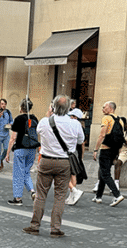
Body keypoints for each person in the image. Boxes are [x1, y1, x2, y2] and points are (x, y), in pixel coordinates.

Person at [23, 95, 83, 237]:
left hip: (46, 160)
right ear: (69, 108)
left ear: (53, 107)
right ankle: (55, 228)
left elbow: (38, 132)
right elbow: (80, 140)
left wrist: (49, 114)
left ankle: (35, 225)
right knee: (60, 196)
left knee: (41, 194)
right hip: (64, 162)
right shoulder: (75, 124)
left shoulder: (45, 122)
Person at [90, 101, 125, 207]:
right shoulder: (120, 120)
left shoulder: (106, 118)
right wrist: (118, 152)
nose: (102, 109)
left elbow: (102, 135)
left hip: (105, 149)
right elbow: (121, 137)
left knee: (105, 174)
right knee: (103, 172)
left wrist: (96, 150)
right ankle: (98, 196)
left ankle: (117, 195)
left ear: (110, 108)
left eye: (104, 107)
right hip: (114, 149)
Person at [6, 98, 38, 204]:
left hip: (20, 148)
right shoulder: (34, 118)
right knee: (26, 172)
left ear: (21, 107)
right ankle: (32, 191)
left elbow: (13, 137)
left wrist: (8, 152)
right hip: (32, 149)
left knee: (18, 173)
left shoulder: (18, 119)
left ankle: (18, 198)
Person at [0, 97, 13, 163]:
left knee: (6, 149)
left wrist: (10, 124)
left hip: (6, 134)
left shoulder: (8, 112)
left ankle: (1, 160)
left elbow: (11, 120)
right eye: (2, 104)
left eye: (5, 104)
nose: (3, 105)